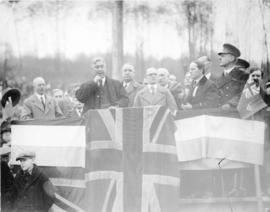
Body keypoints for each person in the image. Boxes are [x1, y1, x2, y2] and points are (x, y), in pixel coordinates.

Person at [216, 43, 249, 110]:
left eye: (223, 56)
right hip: (218, 114)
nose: (219, 58)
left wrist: (231, 104)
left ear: (231, 58)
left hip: (235, 115)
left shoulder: (244, 76)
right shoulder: (218, 78)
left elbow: (247, 94)